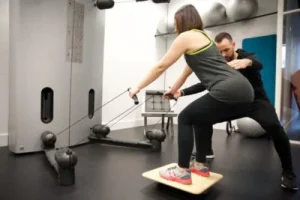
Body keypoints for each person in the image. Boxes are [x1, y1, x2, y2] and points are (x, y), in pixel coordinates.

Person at [129, 4, 255, 185]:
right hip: (244, 91)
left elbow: (161, 66)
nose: (175, 27)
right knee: (201, 119)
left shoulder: (186, 36)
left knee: (186, 117)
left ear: (183, 21)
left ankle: (181, 171)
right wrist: (174, 91)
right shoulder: (206, 39)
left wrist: (137, 88)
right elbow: (185, 73)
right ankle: (200, 165)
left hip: (229, 88)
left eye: (176, 23)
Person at [173, 32, 298, 191]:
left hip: (256, 102)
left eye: (226, 50)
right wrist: (182, 92)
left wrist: (246, 62)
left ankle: (288, 172)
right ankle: (204, 155)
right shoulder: (220, 63)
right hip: (234, 103)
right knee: (201, 117)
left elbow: (258, 63)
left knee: (275, 128)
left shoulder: (244, 55)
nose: (223, 54)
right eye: (220, 52)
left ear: (233, 45)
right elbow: (205, 84)